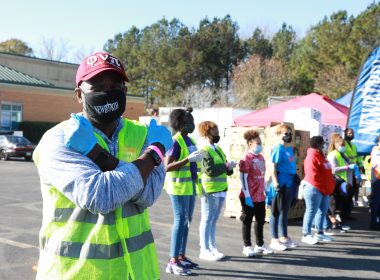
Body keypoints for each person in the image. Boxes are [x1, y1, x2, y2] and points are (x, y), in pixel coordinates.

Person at [32, 52, 173, 280]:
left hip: (136, 273)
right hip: (74, 274)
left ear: (125, 92)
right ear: (79, 95)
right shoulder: (59, 139)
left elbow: (149, 194)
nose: (107, 92)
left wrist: (96, 155)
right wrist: (155, 153)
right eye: (96, 86)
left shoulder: (141, 134)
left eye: (114, 85)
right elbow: (100, 195)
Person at [164, 108, 205, 276]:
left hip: (190, 187)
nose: (192, 124)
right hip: (178, 187)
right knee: (180, 221)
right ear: (179, 123)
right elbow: (167, 166)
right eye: (189, 121)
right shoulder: (176, 141)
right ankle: (172, 261)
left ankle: (181, 256)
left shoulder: (190, 141)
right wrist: (188, 159)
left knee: (187, 222)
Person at [196, 121, 235, 261]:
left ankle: (212, 247)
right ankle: (204, 249)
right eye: (215, 131)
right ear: (207, 133)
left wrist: (230, 167)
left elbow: (225, 168)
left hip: (221, 189)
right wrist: (225, 167)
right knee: (207, 219)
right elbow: (210, 170)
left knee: (213, 220)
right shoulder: (204, 149)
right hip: (209, 190)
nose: (217, 134)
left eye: (218, 131)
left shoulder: (217, 149)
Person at [239, 130, 273, 257]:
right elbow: (242, 178)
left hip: (260, 195)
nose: (260, 145)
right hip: (249, 196)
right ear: (250, 144)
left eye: (260, 143)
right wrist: (247, 196)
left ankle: (260, 244)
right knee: (247, 221)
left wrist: (266, 190)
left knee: (260, 220)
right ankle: (247, 246)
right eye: (257, 143)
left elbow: (262, 176)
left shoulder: (261, 157)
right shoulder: (246, 159)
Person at [301, 136, 335, 245]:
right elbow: (313, 175)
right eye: (322, 143)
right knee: (311, 211)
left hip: (323, 189)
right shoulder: (312, 156)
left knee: (322, 211)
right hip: (314, 188)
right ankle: (306, 234)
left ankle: (320, 232)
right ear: (318, 144)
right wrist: (324, 186)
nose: (324, 145)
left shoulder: (321, 156)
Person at [269, 124, 298, 251]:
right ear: (279, 135)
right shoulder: (278, 149)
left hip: (290, 183)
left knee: (285, 211)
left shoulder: (289, 149)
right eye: (286, 134)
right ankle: (274, 239)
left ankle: (284, 237)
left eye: (290, 133)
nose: (289, 136)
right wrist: (275, 182)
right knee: (276, 211)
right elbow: (273, 167)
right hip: (281, 182)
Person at [327, 133, 357, 220]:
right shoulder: (332, 155)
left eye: (343, 145)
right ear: (335, 145)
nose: (343, 146)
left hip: (344, 182)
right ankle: (334, 223)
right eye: (341, 145)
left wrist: (354, 167)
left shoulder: (343, 154)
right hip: (336, 182)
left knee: (341, 203)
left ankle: (340, 220)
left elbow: (350, 163)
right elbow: (333, 169)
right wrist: (347, 167)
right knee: (335, 203)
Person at [343, 128, 364, 205]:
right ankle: (344, 208)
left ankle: (351, 204)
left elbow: (357, 156)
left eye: (352, 133)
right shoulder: (343, 144)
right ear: (345, 133)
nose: (351, 134)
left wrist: (361, 166)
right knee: (347, 188)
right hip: (346, 169)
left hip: (354, 169)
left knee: (355, 187)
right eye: (349, 133)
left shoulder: (354, 145)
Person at [369, 135, 380, 230]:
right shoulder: (376, 150)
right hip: (377, 179)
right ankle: (373, 222)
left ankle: (377, 220)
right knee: (376, 201)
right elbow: (376, 163)